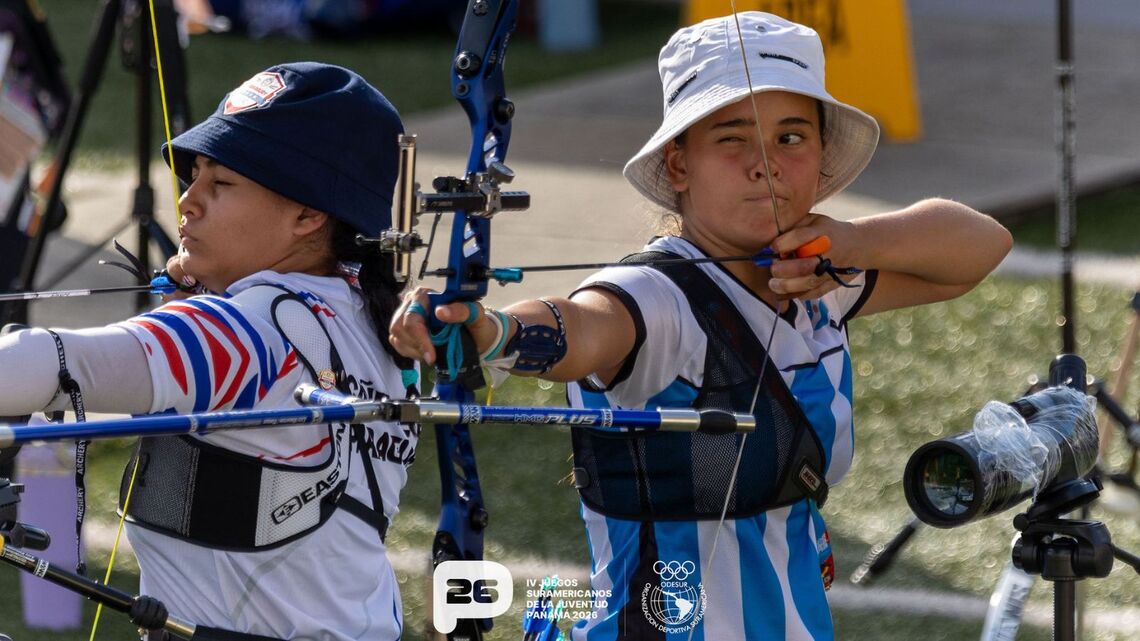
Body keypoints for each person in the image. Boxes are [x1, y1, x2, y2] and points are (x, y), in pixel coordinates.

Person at [390, 12, 1013, 641]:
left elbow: (979, 248)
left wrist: (855, 238)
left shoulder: (817, 281)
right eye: (732, 138)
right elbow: (583, 326)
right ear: (679, 165)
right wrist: (491, 332)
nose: (765, 165)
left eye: (791, 138)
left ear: (821, 158)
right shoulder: (658, 296)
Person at [0, 62, 416, 640]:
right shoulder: (374, 322)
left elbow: (38, 366)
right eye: (194, 177)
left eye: (221, 184)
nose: (188, 202)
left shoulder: (241, 332)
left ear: (308, 214)